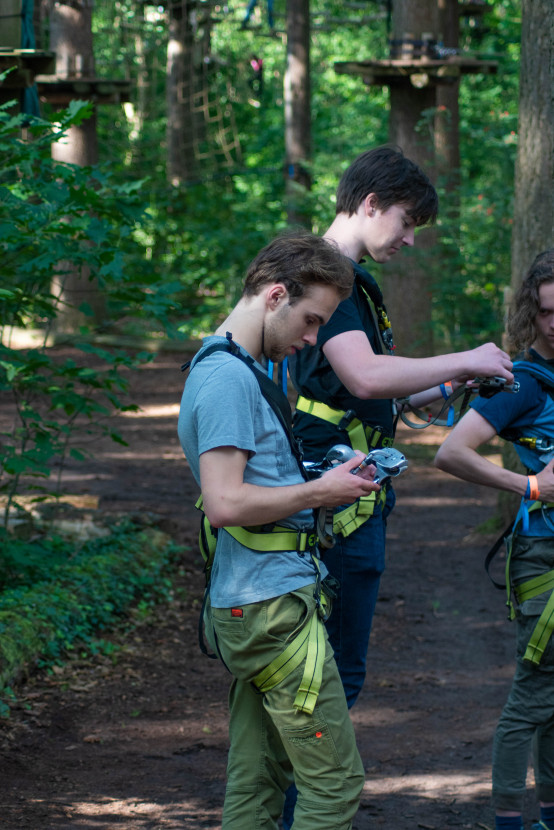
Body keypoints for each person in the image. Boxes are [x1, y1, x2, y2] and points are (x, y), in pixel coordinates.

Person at [289, 145, 514, 713]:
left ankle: (303, 801)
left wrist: (441, 390)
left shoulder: (341, 278)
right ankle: (310, 804)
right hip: (336, 496)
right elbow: (364, 378)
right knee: (334, 675)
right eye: (407, 221)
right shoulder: (329, 276)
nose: (410, 238)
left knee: (331, 671)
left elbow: (354, 387)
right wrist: (465, 360)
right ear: (371, 203)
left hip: (348, 485)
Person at [177, 231, 381, 830]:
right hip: (268, 607)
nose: (313, 339)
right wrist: (323, 491)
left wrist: (320, 475)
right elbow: (224, 502)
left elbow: (252, 480)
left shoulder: (238, 369)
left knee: (259, 780)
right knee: (335, 786)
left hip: (258, 603)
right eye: (312, 320)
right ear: (274, 296)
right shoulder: (227, 380)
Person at [434, 249, 554, 830]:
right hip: (544, 557)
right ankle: (509, 820)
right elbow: (450, 452)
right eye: (547, 311)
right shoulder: (522, 384)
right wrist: (528, 484)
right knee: (535, 694)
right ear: (531, 314)